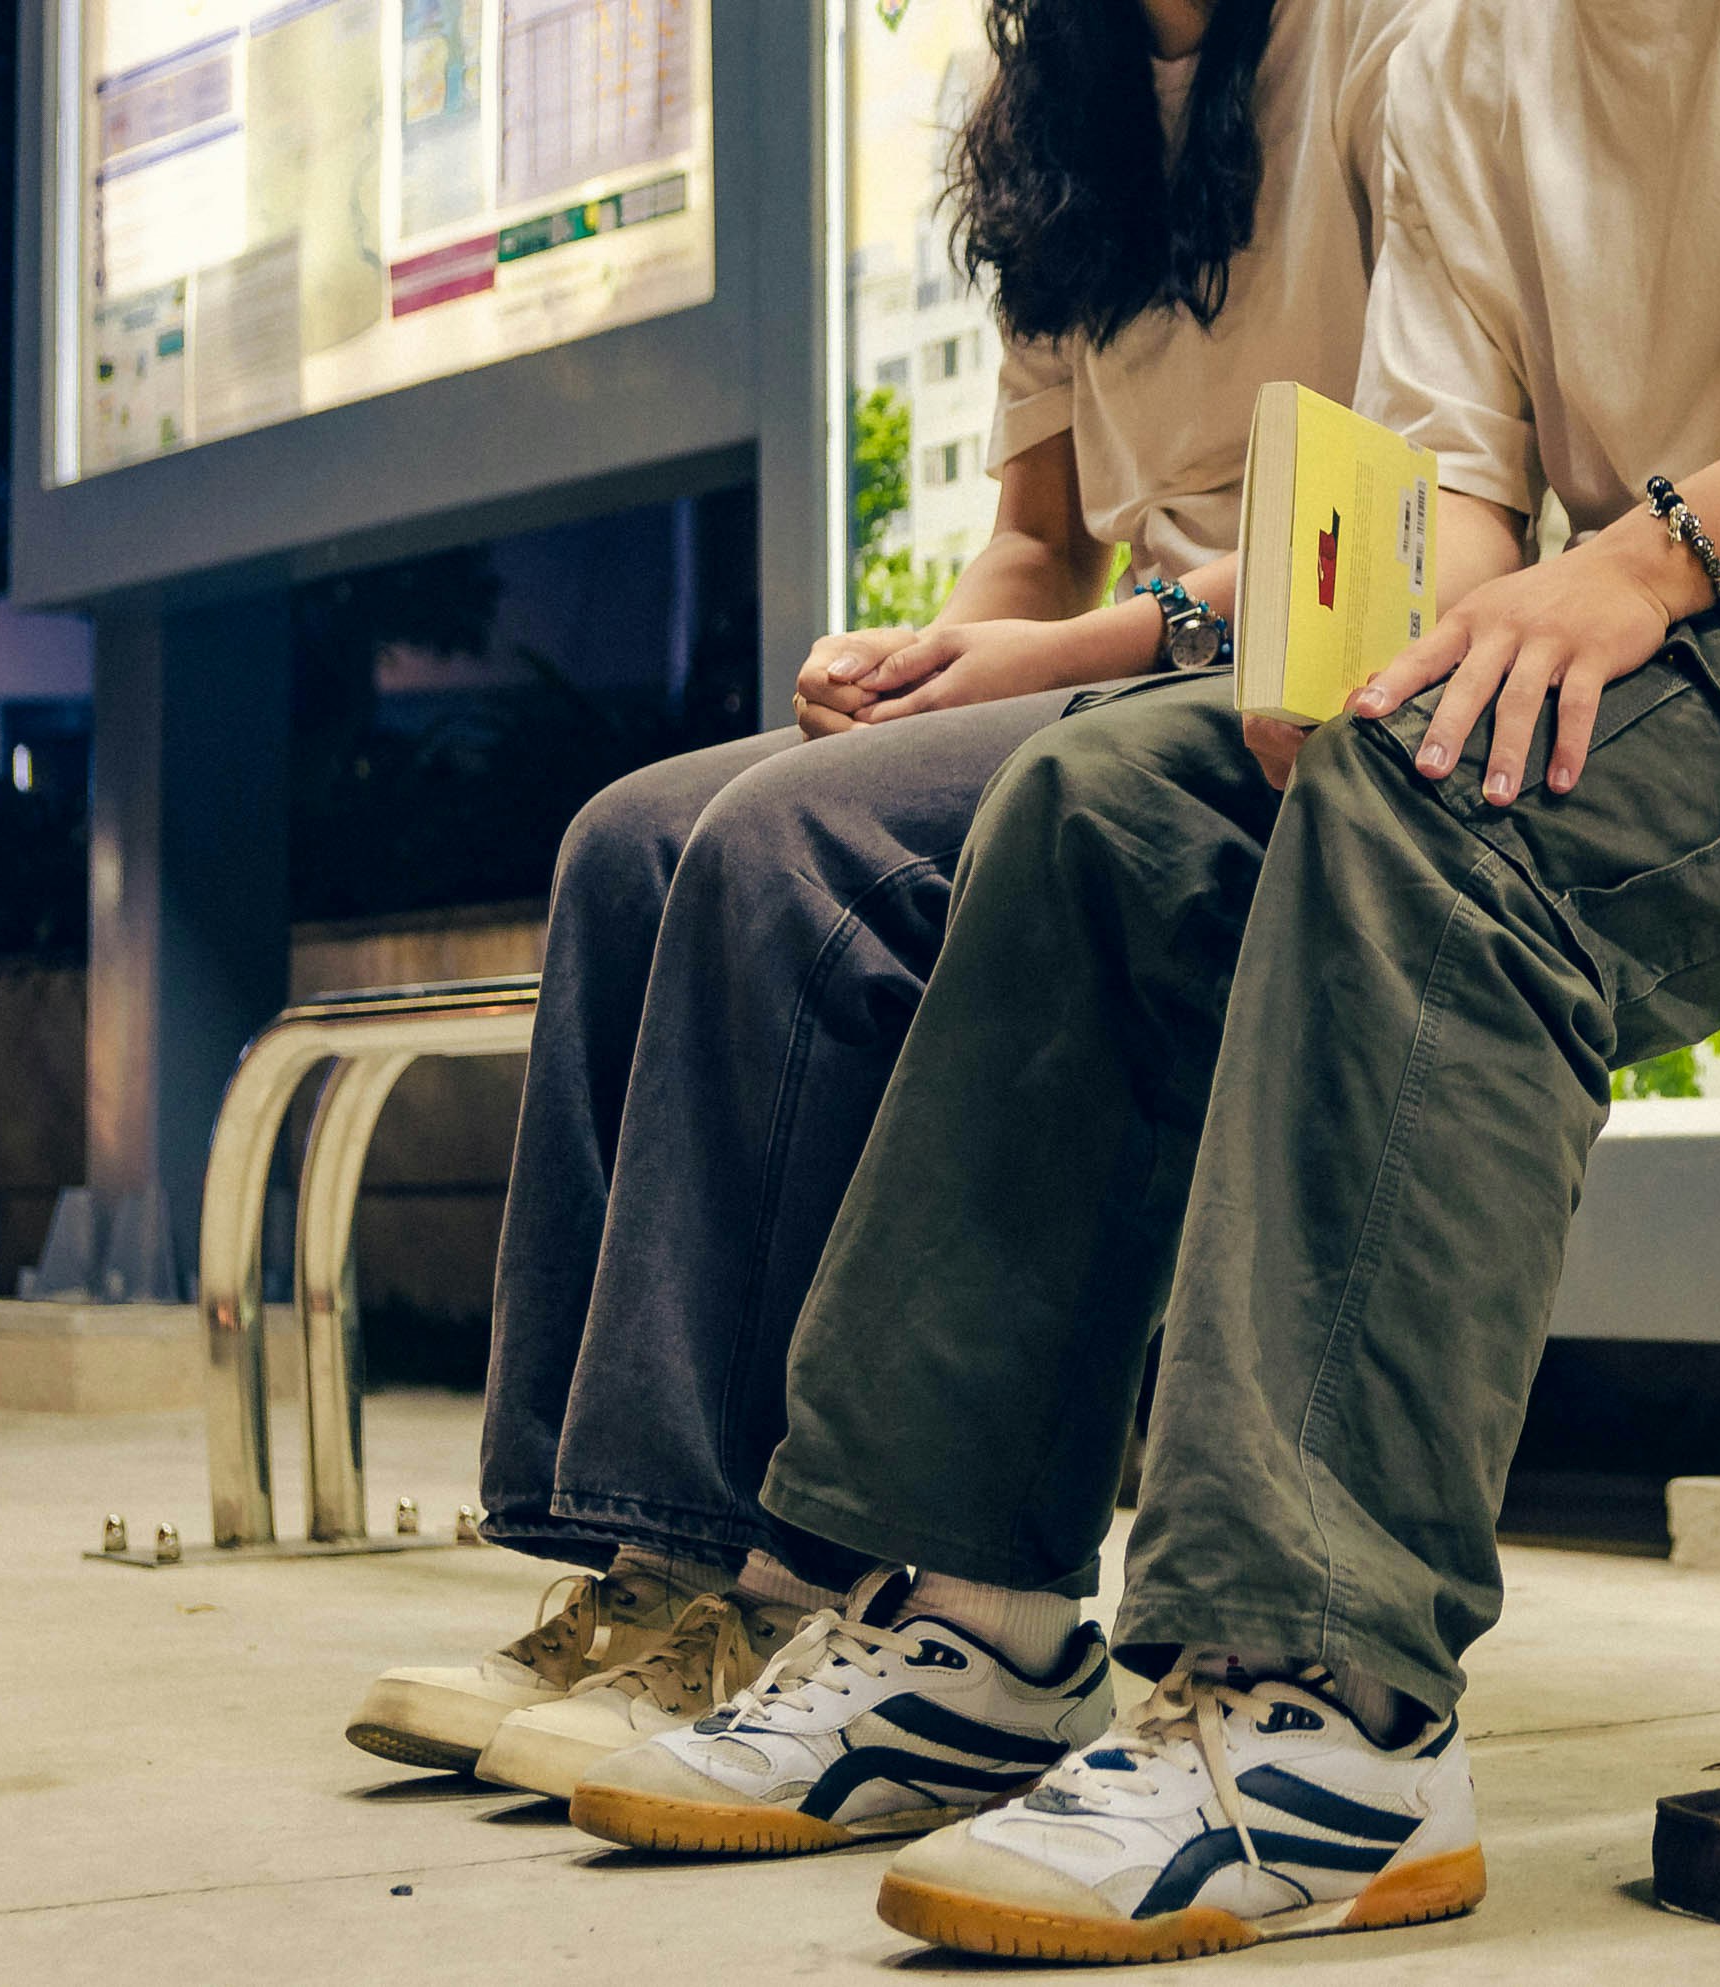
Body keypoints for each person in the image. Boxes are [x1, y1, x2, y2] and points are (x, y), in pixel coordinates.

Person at [577, 0, 1720, 1957]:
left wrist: (1644, 565)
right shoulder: (1459, 51)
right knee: (1110, 805)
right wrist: (1352, 659)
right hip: (1670, 617)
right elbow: (1454, 483)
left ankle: (1322, 1709)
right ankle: (959, 1620)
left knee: (1449, 803)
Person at [341, 0, 1422, 1819]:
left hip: (1312, 658)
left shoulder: (1383, 47)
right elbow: (1036, 533)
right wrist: (923, 655)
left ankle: (764, 1577)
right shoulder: (1054, 100)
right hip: (1121, 656)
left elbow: (1409, 504)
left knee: (788, 851)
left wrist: (1047, 650)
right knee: (633, 837)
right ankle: (639, 1564)